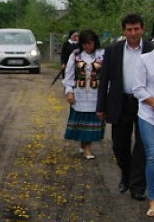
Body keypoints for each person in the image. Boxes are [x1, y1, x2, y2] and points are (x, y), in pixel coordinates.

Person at [96, 13, 154, 200]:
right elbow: (104, 79)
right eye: (129, 30)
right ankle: (126, 175)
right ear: (124, 31)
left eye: (136, 29)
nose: (133, 33)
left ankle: (137, 186)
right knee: (119, 145)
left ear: (142, 29)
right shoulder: (113, 50)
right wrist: (101, 106)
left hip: (144, 103)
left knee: (142, 146)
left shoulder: (150, 49)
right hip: (120, 101)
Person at [62, 30, 105, 159]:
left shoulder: (102, 55)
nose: (88, 46)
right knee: (82, 121)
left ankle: (87, 148)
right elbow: (69, 75)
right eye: (85, 44)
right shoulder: (75, 55)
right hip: (80, 94)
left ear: (94, 42)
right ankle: (84, 146)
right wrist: (69, 91)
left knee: (92, 121)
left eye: (90, 43)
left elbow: (107, 75)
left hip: (95, 95)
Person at [130, 44, 154, 217]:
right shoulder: (144, 60)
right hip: (148, 116)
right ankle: (153, 199)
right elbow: (138, 88)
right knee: (152, 155)